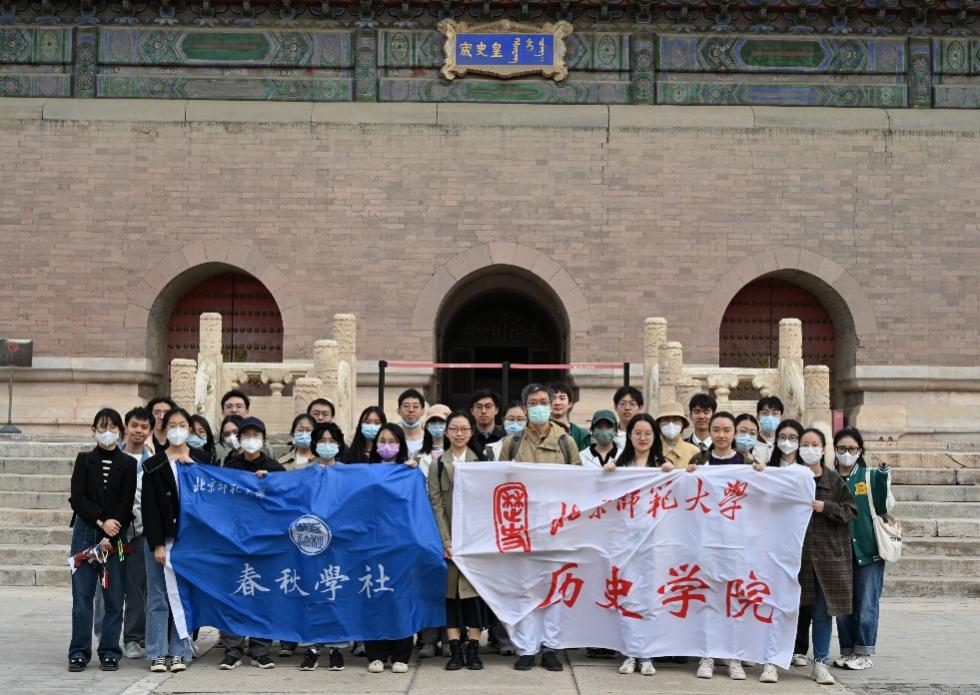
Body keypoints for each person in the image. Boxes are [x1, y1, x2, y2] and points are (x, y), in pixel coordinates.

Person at [499, 383, 579, 672]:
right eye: (533, 403)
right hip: (522, 528)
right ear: (525, 407)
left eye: (543, 401)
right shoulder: (513, 443)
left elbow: (580, 484)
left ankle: (550, 647)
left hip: (557, 528)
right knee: (524, 590)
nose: (539, 407)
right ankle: (526, 648)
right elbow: (500, 484)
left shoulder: (565, 442)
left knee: (554, 590)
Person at [67, 408, 137, 673]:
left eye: (113, 428)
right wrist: (101, 522)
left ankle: (110, 651)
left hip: (117, 536)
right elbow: (78, 498)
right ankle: (78, 652)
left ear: (120, 431)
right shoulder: (84, 460)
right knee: (82, 597)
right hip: (86, 533)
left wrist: (111, 531)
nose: (107, 432)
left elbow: (126, 500)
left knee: (114, 597)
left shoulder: (128, 464)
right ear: (93, 430)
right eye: (102, 427)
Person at [141, 407, 206, 673]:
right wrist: (157, 544)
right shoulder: (153, 464)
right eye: (172, 425)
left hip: (190, 542)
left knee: (184, 596)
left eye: (183, 425)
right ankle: (157, 652)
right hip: (161, 539)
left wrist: (196, 470)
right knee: (158, 597)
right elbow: (149, 508)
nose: (178, 430)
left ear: (190, 429)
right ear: (164, 429)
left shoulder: (203, 460)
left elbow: (213, 498)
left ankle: (180, 650)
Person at [218, 417, 286, 669]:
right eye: (246, 435)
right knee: (233, 594)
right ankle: (232, 649)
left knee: (262, 594)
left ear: (264, 439)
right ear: (239, 439)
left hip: (265, 543)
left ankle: (260, 649)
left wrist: (270, 485)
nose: (251, 439)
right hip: (234, 540)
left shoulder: (275, 469)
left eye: (255, 435)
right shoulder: (230, 468)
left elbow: (286, 502)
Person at [427, 411, 489, 671]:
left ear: (472, 432)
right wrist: (446, 541)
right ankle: (454, 649)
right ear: (446, 432)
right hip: (450, 542)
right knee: (451, 596)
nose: (459, 433)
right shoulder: (438, 464)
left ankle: (473, 648)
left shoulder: (482, 462)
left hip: (475, 542)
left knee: (474, 597)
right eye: (454, 429)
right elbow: (436, 505)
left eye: (464, 429)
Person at [797, 427, 858, 686]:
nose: (810, 449)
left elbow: (850, 511)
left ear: (823, 450)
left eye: (815, 445)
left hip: (826, 558)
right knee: (790, 610)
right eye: (805, 444)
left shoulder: (833, 481)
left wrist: (826, 507)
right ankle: (777, 659)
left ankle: (820, 662)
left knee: (822, 612)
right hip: (795, 557)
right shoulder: (791, 477)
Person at [832, 427, 893, 672]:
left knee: (867, 603)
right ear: (835, 450)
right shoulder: (830, 478)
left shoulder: (869, 476)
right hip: (839, 552)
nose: (847, 453)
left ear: (860, 451)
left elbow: (883, 505)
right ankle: (847, 651)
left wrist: (883, 476)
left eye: (852, 449)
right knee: (842, 606)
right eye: (842, 448)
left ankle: (864, 652)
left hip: (868, 551)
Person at [296, 422, 348, 673]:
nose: (327, 445)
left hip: (340, 544)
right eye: (322, 440)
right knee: (312, 594)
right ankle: (312, 647)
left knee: (336, 592)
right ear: (315, 444)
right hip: (311, 542)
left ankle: (337, 648)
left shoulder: (349, 473)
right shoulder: (304, 473)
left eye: (332, 440)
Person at [118, 407, 154, 660]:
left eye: (143, 427)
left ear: (150, 431)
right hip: (112, 536)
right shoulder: (112, 457)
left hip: (140, 535)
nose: (138, 431)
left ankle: (133, 638)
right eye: (134, 425)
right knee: (107, 590)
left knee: (136, 589)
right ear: (126, 427)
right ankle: (106, 637)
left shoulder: (153, 463)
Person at [687, 412, 766, 470]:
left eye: (727, 430)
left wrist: (760, 472)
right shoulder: (698, 460)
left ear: (735, 433)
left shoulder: (749, 464)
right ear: (709, 432)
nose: (721, 435)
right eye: (716, 430)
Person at [219, 390, 276, 458]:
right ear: (222, 412)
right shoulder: (215, 443)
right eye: (229, 407)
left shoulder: (261, 443)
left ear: (247, 411)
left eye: (239, 406)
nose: (234, 410)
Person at [653, 402, 700, 469]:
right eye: (666, 420)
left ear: (682, 424)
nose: (671, 424)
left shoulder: (694, 451)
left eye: (675, 420)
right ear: (659, 424)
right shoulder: (651, 451)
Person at [549, 381, 592, 450]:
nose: (557, 403)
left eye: (562, 398)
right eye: (553, 398)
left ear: (570, 404)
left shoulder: (582, 435)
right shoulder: (539, 432)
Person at [414, 403, 451, 478]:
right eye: (433, 421)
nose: (437, 424)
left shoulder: (458, 453)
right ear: (427, 426)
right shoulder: (418, 456)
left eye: (441, 421)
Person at [397, 388, 427, 458]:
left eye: (415, 407)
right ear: (399, 411)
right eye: (406, 406)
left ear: (423, 411)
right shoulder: (394, 437)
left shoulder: (428, 438)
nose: (411, 410)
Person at [756, 396, 785, 462]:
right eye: (765, 413)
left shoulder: (786, 444)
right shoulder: (751, 443)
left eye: (774, 413)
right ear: (757, 417)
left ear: (781, 418)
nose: (770, 417)